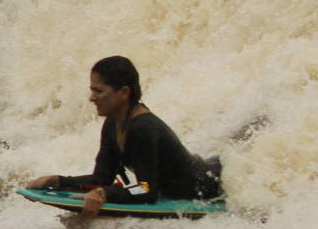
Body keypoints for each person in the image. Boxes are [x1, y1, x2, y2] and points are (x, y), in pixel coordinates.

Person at [32, 56, 222, 219]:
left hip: (210, 185)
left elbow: (146, 190)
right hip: (184, 180)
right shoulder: (112, 123)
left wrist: (103, 193)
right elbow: (103, 177)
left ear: (123, 92)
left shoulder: (143, 128)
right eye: (92, 90)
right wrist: (58, 181)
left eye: (98, 91)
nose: (91, 98)